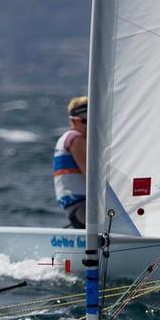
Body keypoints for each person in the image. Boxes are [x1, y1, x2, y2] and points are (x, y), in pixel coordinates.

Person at [53, 96, 87, 228]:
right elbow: (91, 176)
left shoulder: (64, 138)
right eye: (85, 120)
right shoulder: (76, 138)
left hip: (74, 210)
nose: (88, 124)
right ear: (74, 121)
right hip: (81, 209)